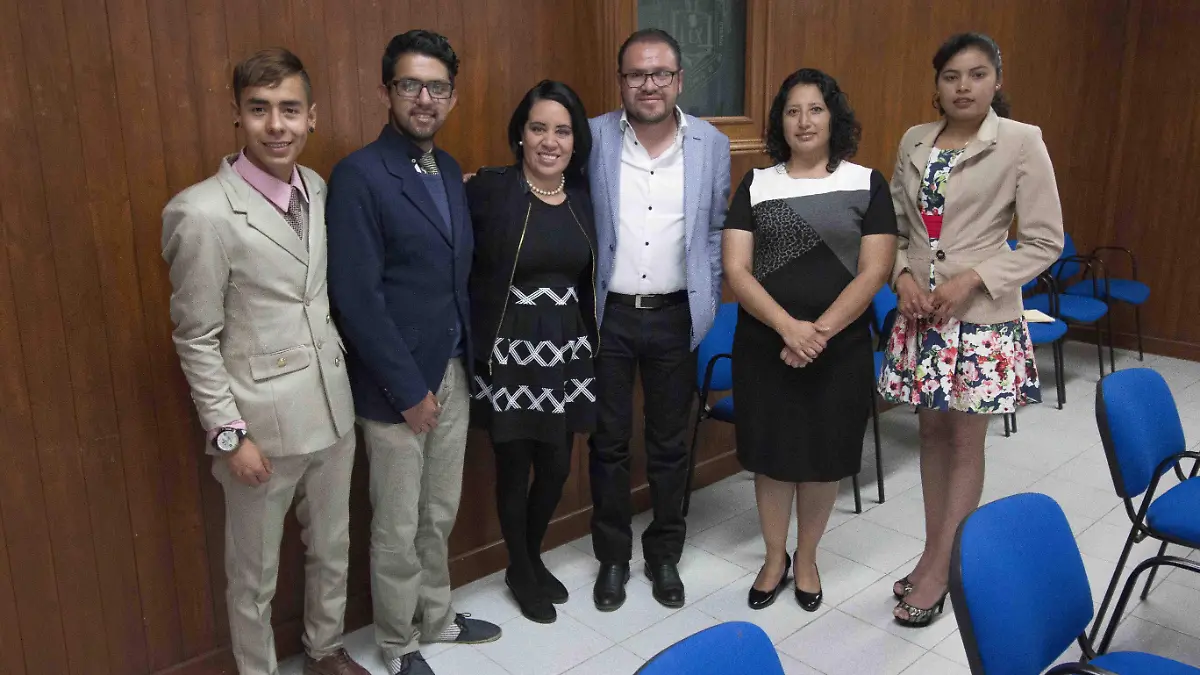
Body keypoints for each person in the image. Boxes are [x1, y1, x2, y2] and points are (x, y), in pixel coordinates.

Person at [161, 49, 369, 675]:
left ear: (312, 116)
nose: (276, 125)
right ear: (237, 115)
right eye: (259, 109)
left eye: (289, 109)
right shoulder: (200, 212)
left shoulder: (319, 188)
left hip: (333, 411)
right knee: (253, 575)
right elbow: (195, 338)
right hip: (258, 429)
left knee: (332, 547)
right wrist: (230, 435)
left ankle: (325, 650)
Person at [325, 30, 500, 675]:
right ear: (386, 92)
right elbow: (356, 298)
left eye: (437, 87)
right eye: (410, 85)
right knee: (397, 526)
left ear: (452, 97)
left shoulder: (448, 169)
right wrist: (407, 391)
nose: (424, 99)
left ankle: (437, 616)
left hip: (453, 367)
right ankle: (398, 644)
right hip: (395, 385)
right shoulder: (359, 175)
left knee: (439, 512)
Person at [878, 32, 1064, 627]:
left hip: (979, 320)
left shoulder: (1021, 141)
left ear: (996, 80)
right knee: (930, 435)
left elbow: (1044, 241)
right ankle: (935, 552)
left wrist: (975, 279)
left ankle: (942, 569)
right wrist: (900, 276)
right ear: (937, 84)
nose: (963, 86)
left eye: (977, 74)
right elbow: (895, 227)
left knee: (964, 441)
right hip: (921, 317)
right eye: (951, 75)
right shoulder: (915, 140)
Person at [723, 69, 897, 613]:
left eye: (815, 109)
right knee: (772, 458)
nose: (804, 121)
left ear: (833, 117)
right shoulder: (756, 184)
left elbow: (874, 271)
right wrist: (789, 328)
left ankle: (807, 558)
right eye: (792, 110)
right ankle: (774, 557)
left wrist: (817, 334)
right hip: (766, 346)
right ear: (780, 121)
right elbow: (737, 269)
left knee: (823, 458)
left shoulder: (867, 183)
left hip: (838, 348)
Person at [587, 28, 731, 611]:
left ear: (678, 80)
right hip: (608, 317)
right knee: (608, 443)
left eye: (660, 74)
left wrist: (708, 299)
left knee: (670, 444)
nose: (649, 84)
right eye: (636, 74)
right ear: (621, 80)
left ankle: (664, 552)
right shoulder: (592, 136)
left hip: (676, 316)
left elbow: (716, 228)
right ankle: (612, 557)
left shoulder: (711, 143)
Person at [466, 80, 597, 624]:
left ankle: (531, 553)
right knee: (515, 463)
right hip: (510, 348)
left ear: (575, 140)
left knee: (557, 464)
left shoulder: (583, 197)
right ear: (520, 134)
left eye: (562, 131)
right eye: (538, 128)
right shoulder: (491, 190)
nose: (549, 141)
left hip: (566, 348)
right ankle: (520, 568)